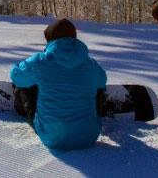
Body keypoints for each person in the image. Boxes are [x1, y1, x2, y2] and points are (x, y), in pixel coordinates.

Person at [10, 18, 107, 150]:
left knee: (25, 83)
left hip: (52, 137)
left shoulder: (41, 61)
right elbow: (103, 81)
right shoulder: (90, 64)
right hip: (88, 137)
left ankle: (23, 107)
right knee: (97, 87)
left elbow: (15, 76)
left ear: (51, 39)